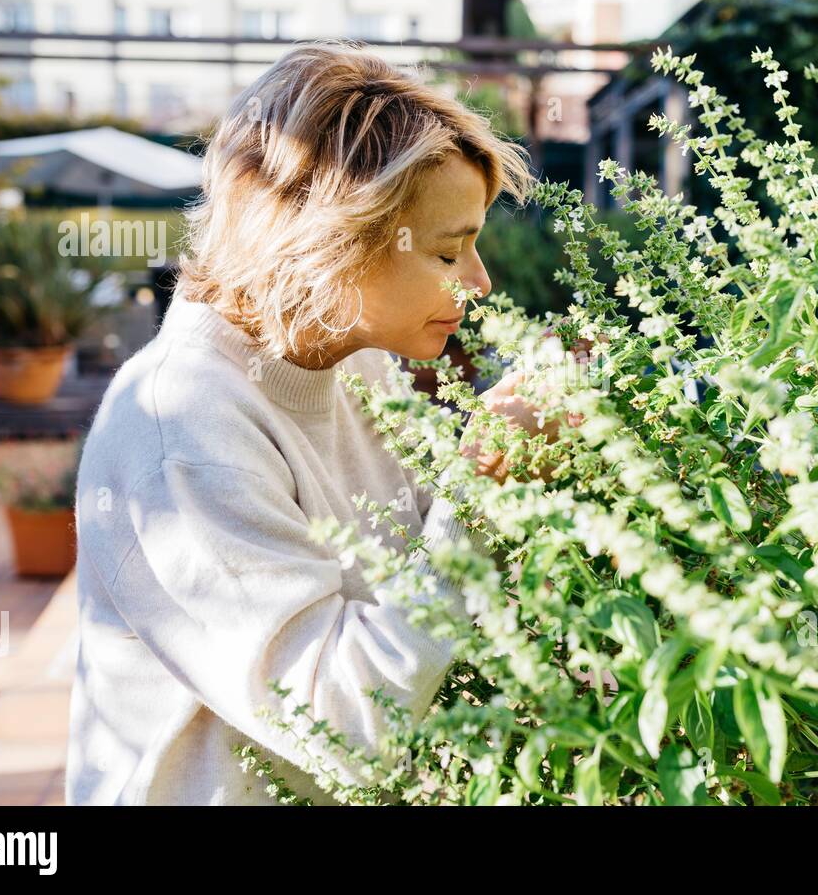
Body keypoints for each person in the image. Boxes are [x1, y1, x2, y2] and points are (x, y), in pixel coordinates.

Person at [66, 42, 551, 805]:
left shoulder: (345, 356)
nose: (480, 282)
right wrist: (486, 481)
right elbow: (346, 724)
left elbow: (418, 589)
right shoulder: (181, 431)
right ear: (333, 244)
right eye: (449, 251)